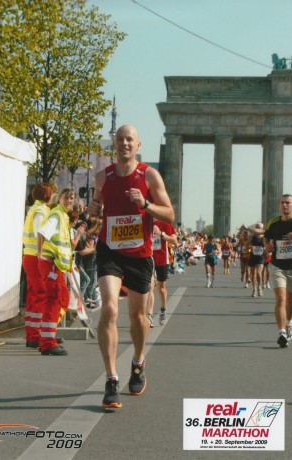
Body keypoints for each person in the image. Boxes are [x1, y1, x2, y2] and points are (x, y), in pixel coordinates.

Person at [87, 124, 174, 409]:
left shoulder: (149, 174)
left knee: (137, 316)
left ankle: (138, 361)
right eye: (120, 139)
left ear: (138, 145)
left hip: (139, 252)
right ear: (114, 144)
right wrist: (93, 210)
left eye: (129, 140)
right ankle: (111, 378)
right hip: (110, 249)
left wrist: (146, 204)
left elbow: (170, 214)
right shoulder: (103, 176)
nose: (124, 143)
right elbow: (97, 207)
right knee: (110, 308)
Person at [37, 187, 76, 356]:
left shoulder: (62, 216)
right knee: (54, 300)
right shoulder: (57, 215)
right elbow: (42, 233)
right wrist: (40, 254)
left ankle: (47, 337)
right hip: (52, 263)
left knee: (60, 300)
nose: (69, 201)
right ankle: (47, 342)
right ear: (59, 198)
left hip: (56, 265)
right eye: (67, 198)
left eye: (72, 199)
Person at [251, 194, 292, 348]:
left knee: (290, 300)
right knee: (281, 297)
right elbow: (266, 237)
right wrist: (267, 246)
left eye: (288, 203)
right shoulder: (274, 222)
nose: (285, 206)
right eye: (282, 203)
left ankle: (288, 324)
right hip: (278, 266)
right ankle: (281, 332)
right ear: (279, 205)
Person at [22, 182, 55, 348]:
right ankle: (36, 335)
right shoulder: (41, 211)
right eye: (53, 193)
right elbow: (39, 234)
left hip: (30, 255)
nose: (54, 196)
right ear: (47, 195)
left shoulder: (35, 209)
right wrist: (43, 253)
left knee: (33, 295)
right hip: (36, 256)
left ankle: (33, 334)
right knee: (41, 294)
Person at [146, 219, 177, 327]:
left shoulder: (165, 223)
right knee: (150, 286)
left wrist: (161, 233)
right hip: (147, 258)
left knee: (161, 289)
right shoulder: (143, 220)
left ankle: (163, 310)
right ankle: (149, 316)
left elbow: (174, 241)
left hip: (162, 259)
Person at [248, 223, 265, 297]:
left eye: (259, 227)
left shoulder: (264, 237)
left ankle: (259, 287)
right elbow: (248, 245)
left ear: (262, 228)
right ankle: (254, 289)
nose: (258, 229)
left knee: (258, 273)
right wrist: (250, 246)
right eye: (257, 227)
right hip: (253, 256)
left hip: (260, 257)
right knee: (253, 274)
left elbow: (267, 245)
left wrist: (265, 249)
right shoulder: (252, 236)